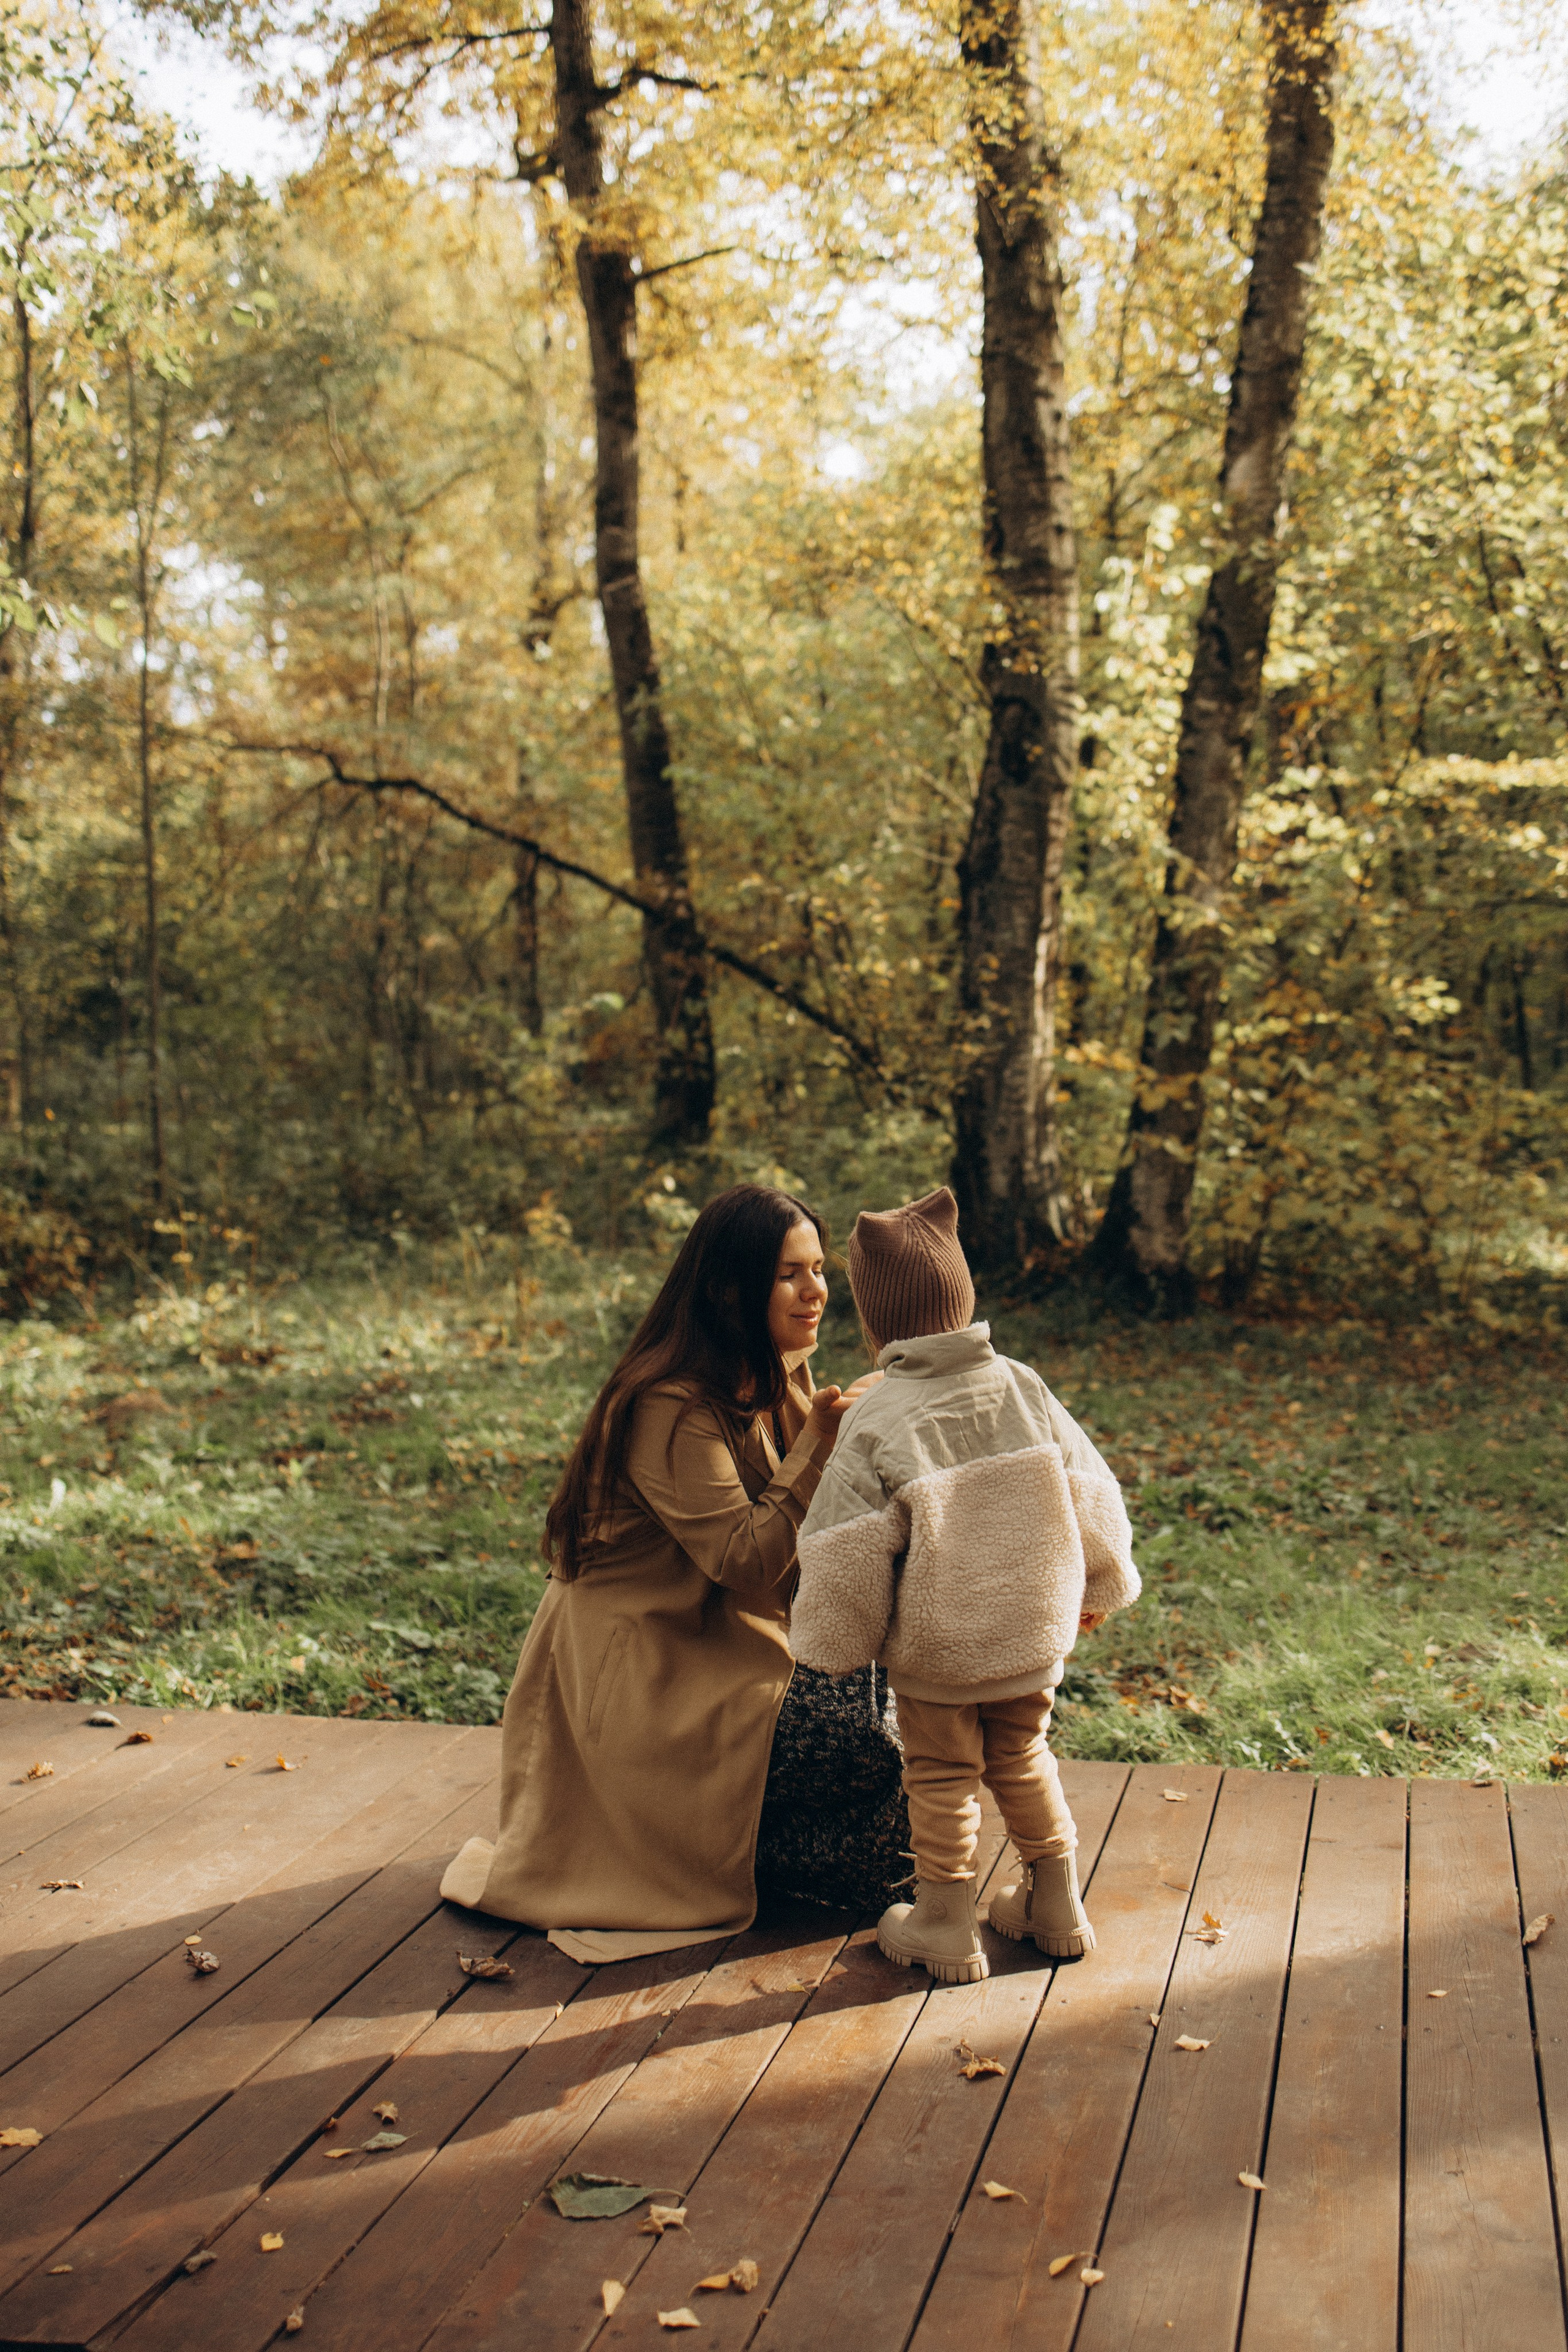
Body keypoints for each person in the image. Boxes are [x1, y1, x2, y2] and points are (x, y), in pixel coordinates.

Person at [439, 1183, 907, 1962]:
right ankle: (727, 1849)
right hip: (650, 1670)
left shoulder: (781, 1372)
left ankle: (780, 1845)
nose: (816, 1290)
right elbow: (746, 1560)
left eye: (820, 1269)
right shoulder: (669, 1404)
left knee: (916, 1713)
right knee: (864, 1753)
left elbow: (816, 1537)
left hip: (733, 1638)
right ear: (729, 1287)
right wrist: (823, 1442)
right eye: (789, 1273)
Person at [790, 1187, 1142, 1985]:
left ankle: (946, 1921)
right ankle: (1055, 1902)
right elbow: (1093, 1488)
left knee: (943, 1774)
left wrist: (832, 1643)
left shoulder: (879, 1417)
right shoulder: (1023, 1385)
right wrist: (1101, 1583)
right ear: (963, 1298)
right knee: (1023, 1754)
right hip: (1031, 1632)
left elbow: (844, 1545)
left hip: (940, 1649)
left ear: (878, 1322)